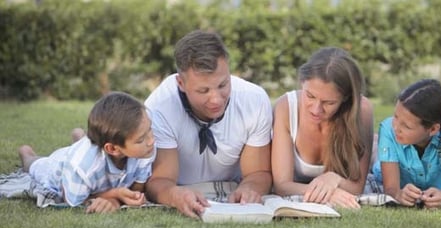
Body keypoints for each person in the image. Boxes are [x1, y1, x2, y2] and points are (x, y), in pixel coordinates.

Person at [144, 30, 273, 218]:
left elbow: (259, 172)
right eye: (203, 90)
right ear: (180, 83)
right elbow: (160, 180)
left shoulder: (254, 100)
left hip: (233, 186)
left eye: (223, 85)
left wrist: (250, 189)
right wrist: (175, 195)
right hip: (183, 186)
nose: (216, 100)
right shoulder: (159, 107)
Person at [18, 91, 156, 213]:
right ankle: (26, 153)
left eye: (150, 129)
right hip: (57, 168)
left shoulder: (144, 150)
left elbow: (137, 189)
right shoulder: (82, 168)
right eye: (141, 139)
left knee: (87, 150)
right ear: (113, 148)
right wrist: (116, 194)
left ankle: (80, 138)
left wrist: (131, 196)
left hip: (90, 158)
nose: (151, 141)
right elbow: (73, 201)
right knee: (35, 165)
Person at [271, 47, 374, 209]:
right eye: (310, 96)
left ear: (345, 98)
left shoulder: (362, 111)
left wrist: (335, 179)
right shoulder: (286, 107)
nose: (316, 109)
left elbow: (357, 187)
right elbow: (282, 186)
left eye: (329, 103)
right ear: (302, 83)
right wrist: (328, 193)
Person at [372, 79, 441, 208]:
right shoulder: (388, 129)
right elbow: (391, 189)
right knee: (376, 158)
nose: (396, 127)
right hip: (393, 168)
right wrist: (398, 194)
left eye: (407, 126)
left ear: (433, 129)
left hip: (438, 179)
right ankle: (375, 144)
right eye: (395, 117)